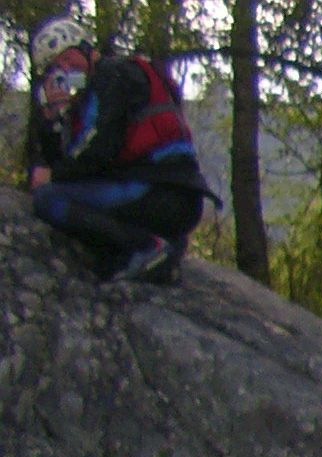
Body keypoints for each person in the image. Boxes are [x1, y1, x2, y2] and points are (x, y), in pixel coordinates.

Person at [24, 15, 218, 283]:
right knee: (68, 208)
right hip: (165, 195)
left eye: (69, 59)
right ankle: (156, 246)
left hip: (163, 192)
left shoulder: (113, 75)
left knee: (49, 199)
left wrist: (53, 177)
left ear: (86, 49)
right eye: (57, 68)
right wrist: (51, 120)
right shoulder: (91, 95)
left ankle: (147, 246)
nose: (66, 70)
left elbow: (96, 154)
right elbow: (74, 162)